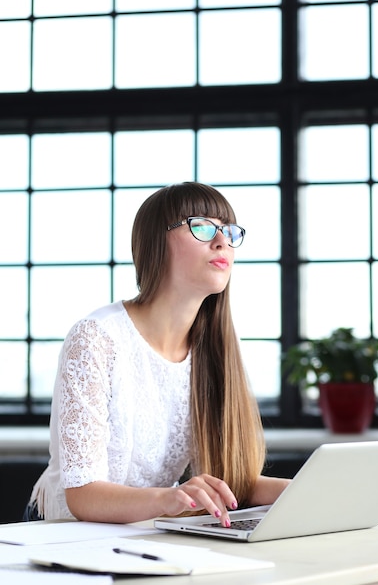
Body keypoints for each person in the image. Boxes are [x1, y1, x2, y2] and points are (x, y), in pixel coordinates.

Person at [26, 182, 290, 526]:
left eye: (228, 230)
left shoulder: (212, 349)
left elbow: (235, 484)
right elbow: (83, 495)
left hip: (144, 532)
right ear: (155, 243)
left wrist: (312, 489)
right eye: (201, 225)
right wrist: (169, 498)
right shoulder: (96, 337)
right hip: (64, 534)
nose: (221, 240)